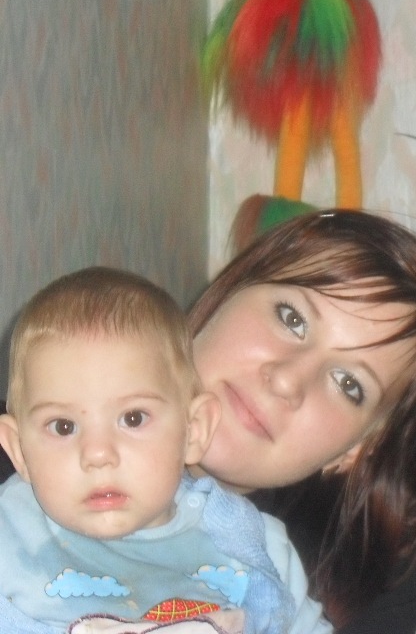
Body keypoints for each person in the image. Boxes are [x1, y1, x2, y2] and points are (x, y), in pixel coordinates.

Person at [185, 207, 416, 632]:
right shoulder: (77, 411)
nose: (287, 380)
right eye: (292, 318)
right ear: (230, 291)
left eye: (348, 384)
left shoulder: (361, 595)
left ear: (356, 450)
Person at [0, 266, 333, 634]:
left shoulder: (254, 550)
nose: (97, 454)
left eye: (133, 418)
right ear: (18, 448)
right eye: (63, 427)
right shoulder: (10, 536)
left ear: (194, 430)